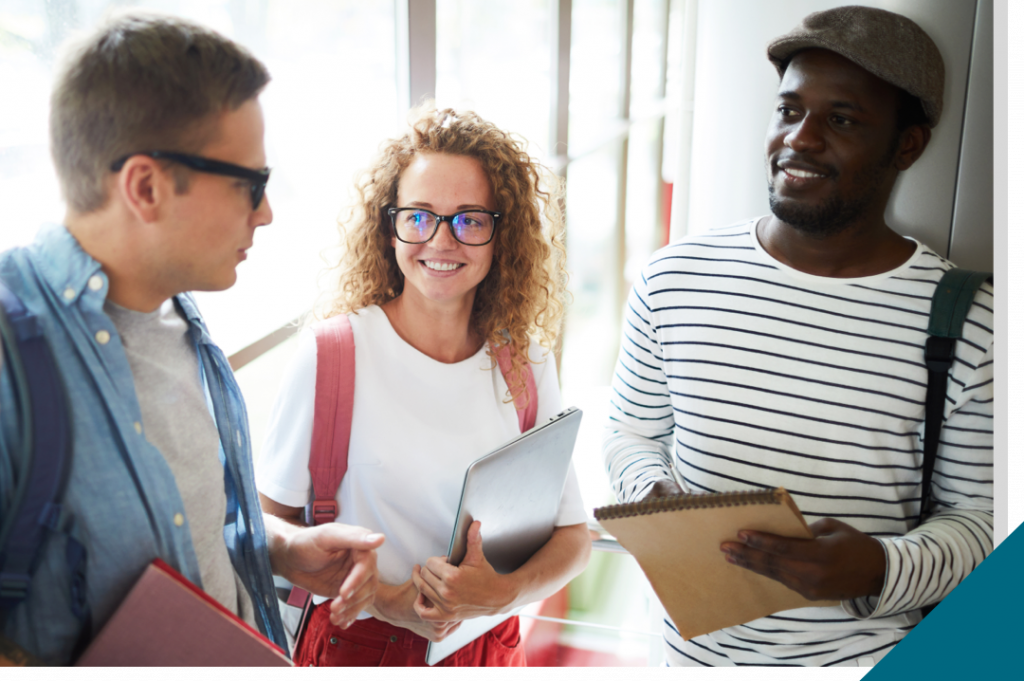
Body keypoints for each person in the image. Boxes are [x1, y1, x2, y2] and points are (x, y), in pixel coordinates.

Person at [604, 6, 993, 668]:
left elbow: (985, 523)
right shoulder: (674, 277)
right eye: (788, 110)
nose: (800, 139)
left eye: (841, 120)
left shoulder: (974, 321)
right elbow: (631, 434)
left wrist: (878, 567)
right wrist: (651, 497)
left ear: (908, 145)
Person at [0, 12, 382, 667]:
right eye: (250, 185)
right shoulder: (12, 361)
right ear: (145, 186)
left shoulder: (178, 315)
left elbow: (172, 536)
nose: (266, 212)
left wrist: (281, 548)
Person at [256, 107, 591, 667]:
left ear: (499, 234)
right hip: (358, 647)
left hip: (489, 645)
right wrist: (387, 601)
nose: (441, 240)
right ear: (390, 228)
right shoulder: (332, 355)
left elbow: (574, 538)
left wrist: (503, 593)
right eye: (418, 217)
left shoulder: (525, 361)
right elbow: (267, 529)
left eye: (470, 219)